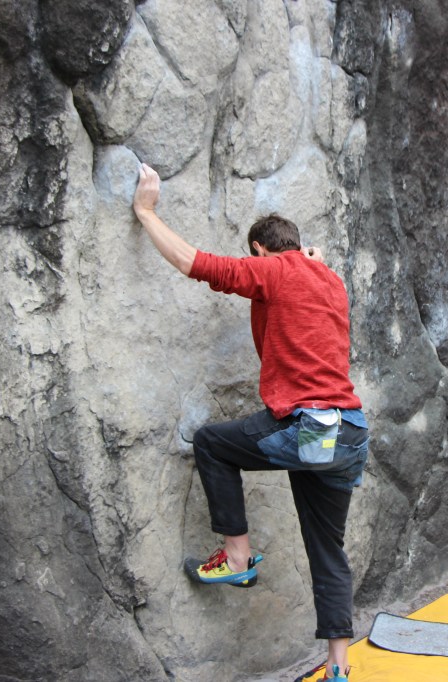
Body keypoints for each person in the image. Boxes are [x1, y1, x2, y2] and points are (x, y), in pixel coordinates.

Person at [133, 163, 368, 681]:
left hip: (309, 427)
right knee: (328, 550)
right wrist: (310, 259)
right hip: (350, 432)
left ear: (260, 250)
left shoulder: (274, 269)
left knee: (211, 443)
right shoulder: (330, 281)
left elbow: (196, 264)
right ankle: (338, 666)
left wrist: (146, 212)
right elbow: (308, 270)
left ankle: (237, 558)